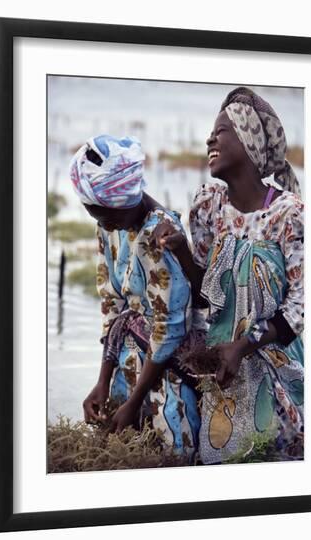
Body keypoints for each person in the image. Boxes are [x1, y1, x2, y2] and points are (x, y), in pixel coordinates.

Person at [152, 87, 304, 464]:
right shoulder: (209, 206)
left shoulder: (289, 215)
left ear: (249, 141)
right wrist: (182, 251)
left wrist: (245, 345)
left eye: (221, 131)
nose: (209, 139)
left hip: (274, 360)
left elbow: (302, 306)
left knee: (275, 458)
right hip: (223, 366)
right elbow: (206, 295)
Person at [68, 134, 203, 461]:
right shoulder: (109, 224)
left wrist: (134, 401)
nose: (102, 225)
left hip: (166, 366)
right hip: (130, 355)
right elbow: (111, 303)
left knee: (171, 451)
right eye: (95, 216)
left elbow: (170, 326)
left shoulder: (160, 236)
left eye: (103, 216)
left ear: (122, 203)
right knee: (114, 441)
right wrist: (103, 382)